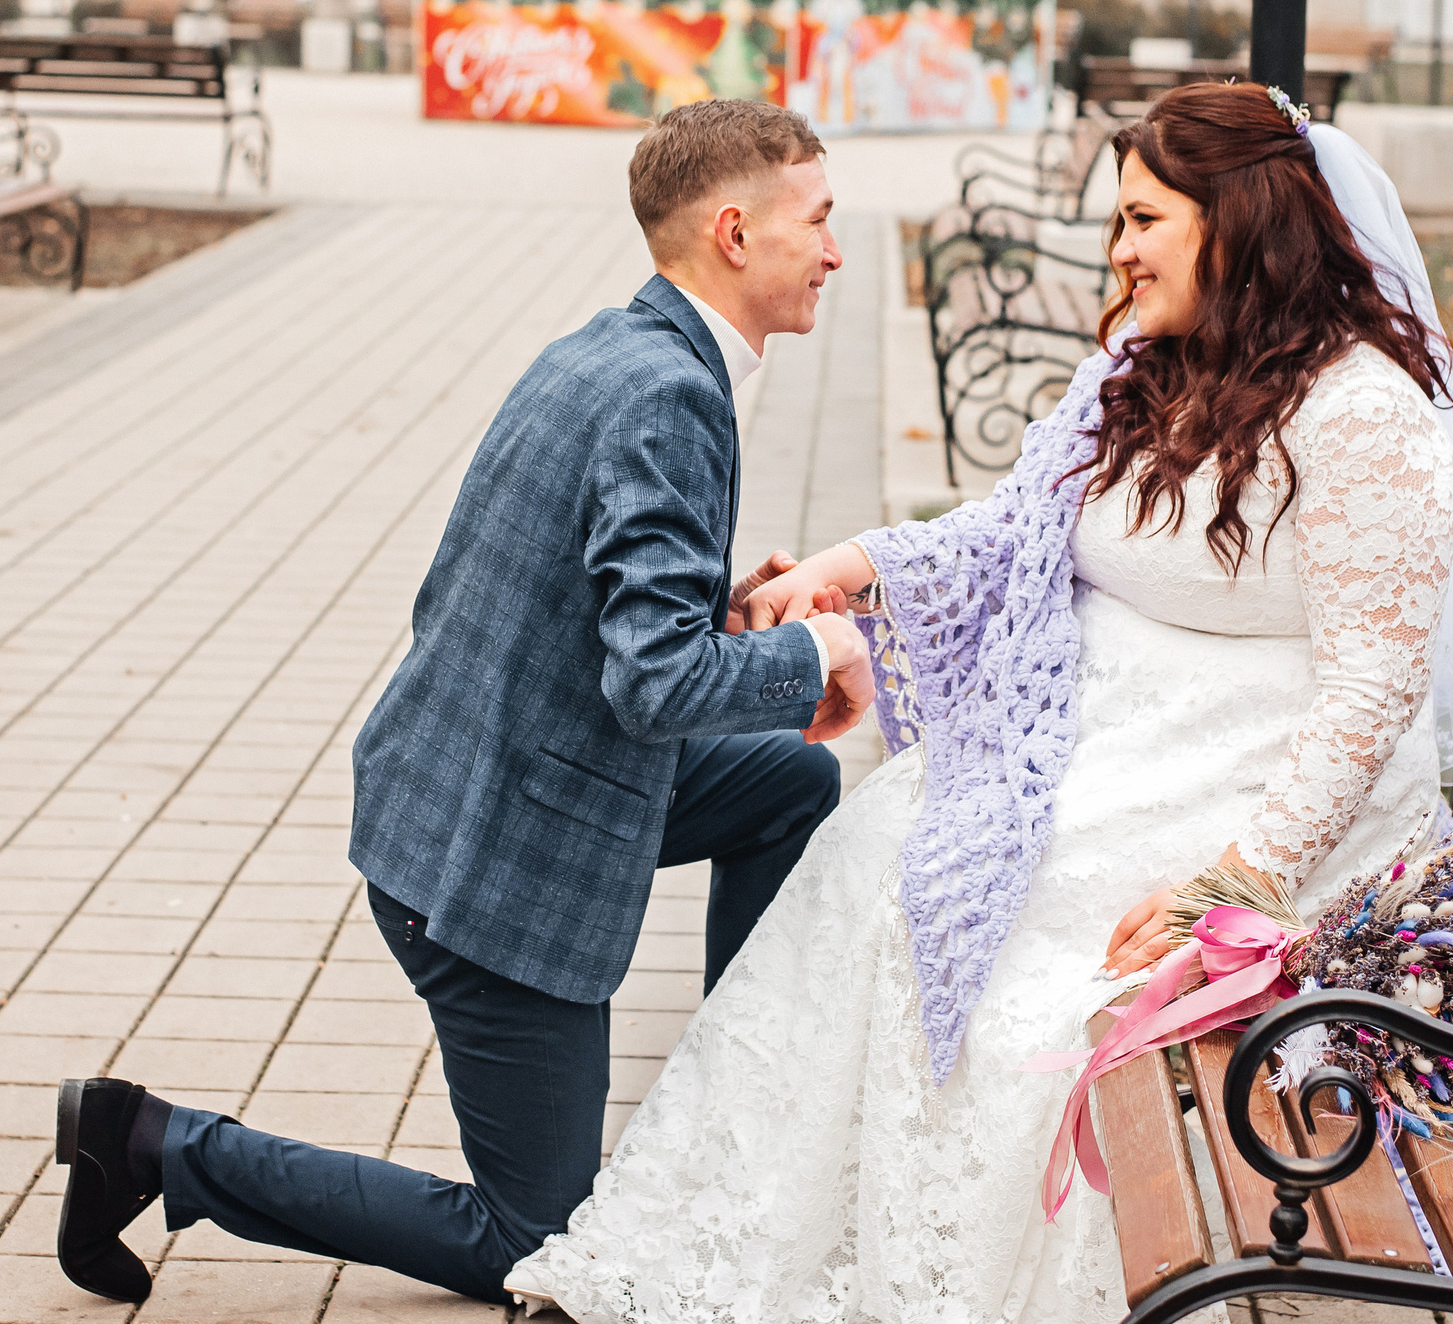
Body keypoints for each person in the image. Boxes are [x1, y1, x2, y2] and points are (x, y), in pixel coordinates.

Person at [503, 80, 1453, 1324]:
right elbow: (1012, 529)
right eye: (1118, 223)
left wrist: (1233, 878)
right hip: (1100, 743)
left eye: (1144, 218)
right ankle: (749, 1243)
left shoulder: (1365, 416)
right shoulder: (1147, 371)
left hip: (1259, 789)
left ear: (1240, 219)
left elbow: (1370, 691)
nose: (1120, 251)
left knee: (1025, 984)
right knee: (871, 852)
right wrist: (849, 567)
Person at [49, 98, 881, 1305]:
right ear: (738, 231)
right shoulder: (671, 394)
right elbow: (651, 683)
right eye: (821, 220)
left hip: (492, 778)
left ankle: (735, 1090)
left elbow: (604, 613)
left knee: (789, 781)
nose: (838, 249)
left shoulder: (617, 346)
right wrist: (820, 645)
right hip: (493, 865)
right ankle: (146, 1144)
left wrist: (739, 610)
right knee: (531, 1243)